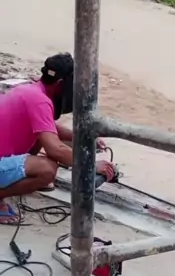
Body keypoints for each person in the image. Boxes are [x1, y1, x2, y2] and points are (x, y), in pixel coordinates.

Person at [0, 52, 116, 224]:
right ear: (61, 84)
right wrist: (91, 165)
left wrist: (83, 138)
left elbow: (49, 127)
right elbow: (56, 150)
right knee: (47, 169)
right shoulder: (40, 101)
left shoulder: (30, 90)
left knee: (42, 139)